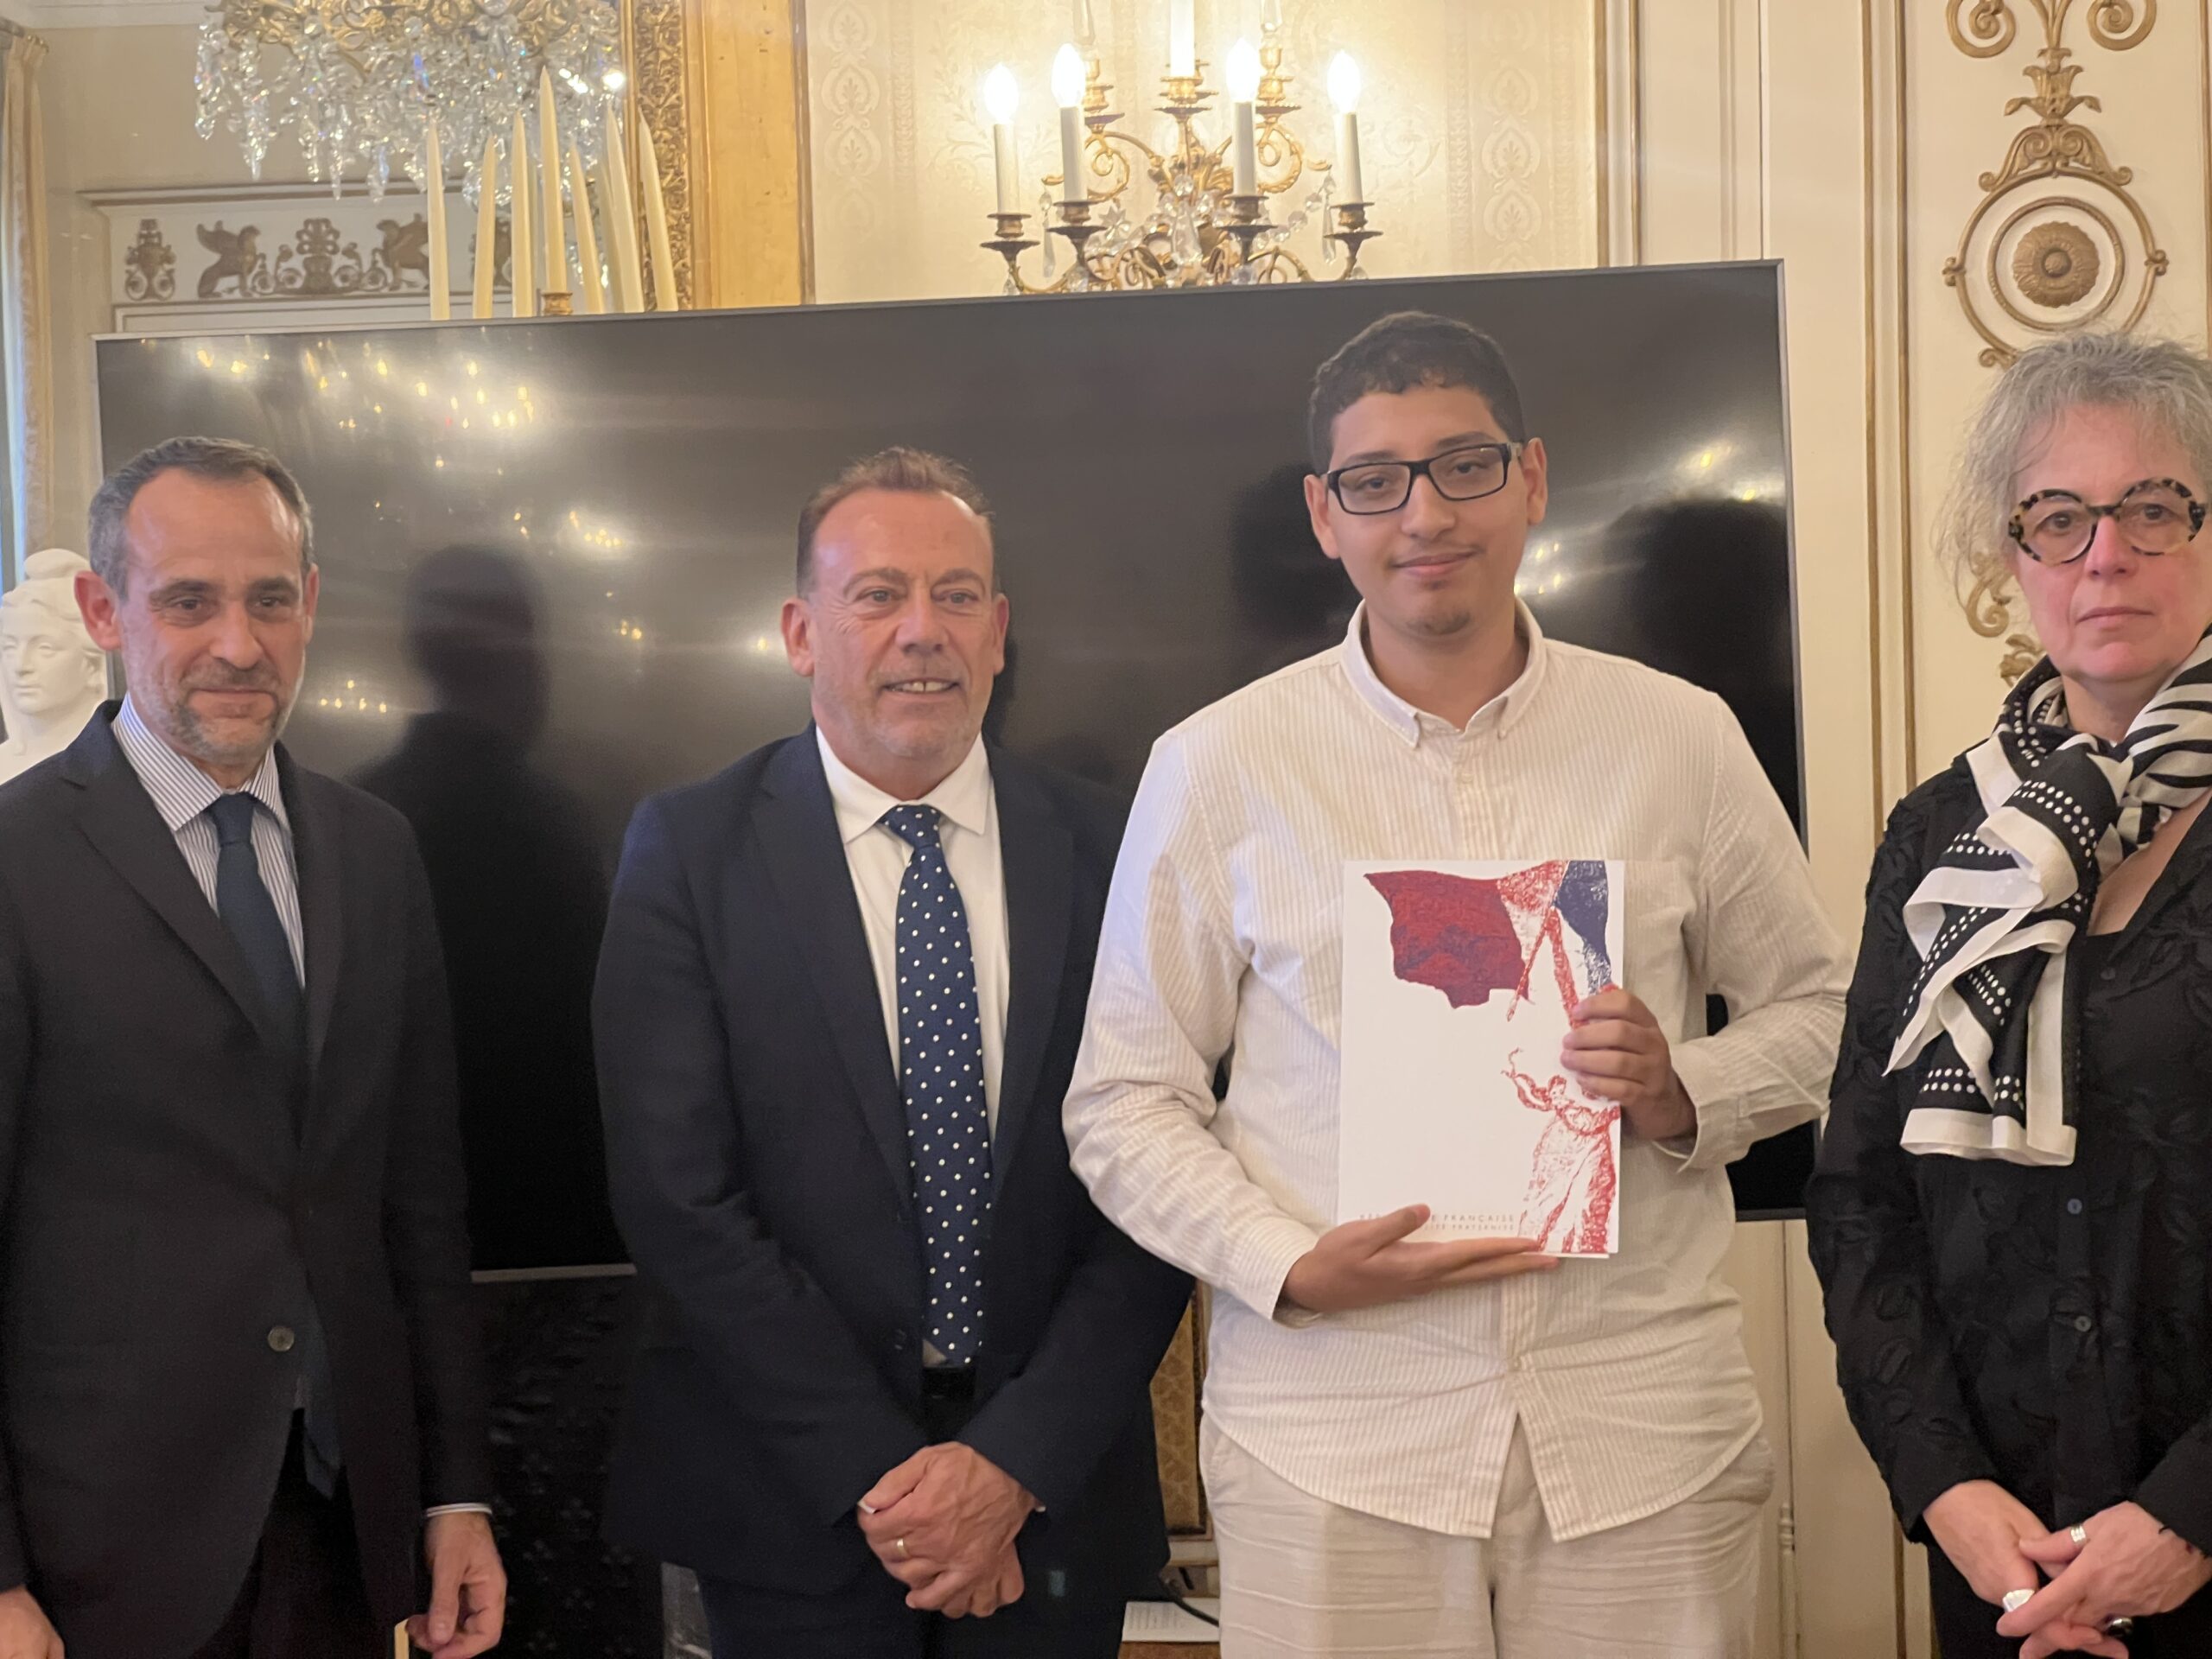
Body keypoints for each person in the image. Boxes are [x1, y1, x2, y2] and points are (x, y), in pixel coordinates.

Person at [1062, 310, 1848, 1658]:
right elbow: (1122, 1101)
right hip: (1335, 1443)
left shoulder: (1679, 738)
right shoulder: (1219, 763)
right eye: (1376, 480)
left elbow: (1827, 1016)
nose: (1424, 514)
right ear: (1326, 515)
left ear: (1531, 479)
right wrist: (1287, 1263)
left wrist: (1680, 1088)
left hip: (1639, 1433)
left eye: (1464, 466)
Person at [593, 447, 1192, 1658]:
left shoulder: (1116, 844)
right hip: (792, 1502)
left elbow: (1162, 1171)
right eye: (878, 596)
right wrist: (887, 1480)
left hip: (1051, 1499)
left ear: (999, 632)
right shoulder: (690, 851)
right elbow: (677, 1198)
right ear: (800, 632)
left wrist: (1012, 1463)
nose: (924, 630)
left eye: (956, 595)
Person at [0, 437, 505, 1659]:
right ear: (104, 611)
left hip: (347, 1528)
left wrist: (455, 1494)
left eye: (270, 599)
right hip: (97, 1561)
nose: (239, 644)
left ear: (310, 604)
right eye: (189, 602)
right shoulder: (14, 861)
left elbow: (420, 1209)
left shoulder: (375, 851)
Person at [1808, 331, 2212, 1659]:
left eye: (2155, 508)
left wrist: (2188, 1516)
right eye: (2058, 517)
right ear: (2013, 557)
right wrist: (1945, 1486)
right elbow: (1862, 1192)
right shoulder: (1942, 833)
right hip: (2008, 1551)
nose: (2106, 554)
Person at [0, 547, 110, 785]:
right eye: (10, 647)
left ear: (92, 663)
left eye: (44, 648)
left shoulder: (117, 771)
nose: (20, 666)